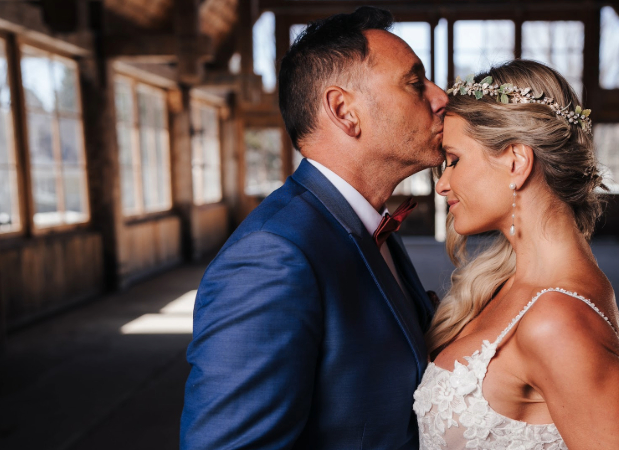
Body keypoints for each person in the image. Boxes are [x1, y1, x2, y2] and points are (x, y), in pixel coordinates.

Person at [180, 7, 447, 450]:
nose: (441, 98)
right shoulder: (272, 256)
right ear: (344, 111)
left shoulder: (366, 223)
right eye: (416, 83)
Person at [413, 60, 619, 450]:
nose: (442, 184)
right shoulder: (506, 281)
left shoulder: (559, 321)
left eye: (454, 160)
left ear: (516, 161)